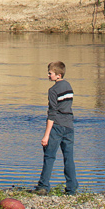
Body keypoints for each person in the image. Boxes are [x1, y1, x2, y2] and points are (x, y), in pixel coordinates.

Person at [33, 61, 78, 195]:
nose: (48, 75)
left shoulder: (53, 90)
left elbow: (52, 113)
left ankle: (43, 186)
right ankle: (71, 188)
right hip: (69, 125)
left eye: (50, 73)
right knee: (68, 157)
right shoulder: (69, 86)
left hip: (57, 126)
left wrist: (46, 135)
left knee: (49, 156)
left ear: (58, 75)